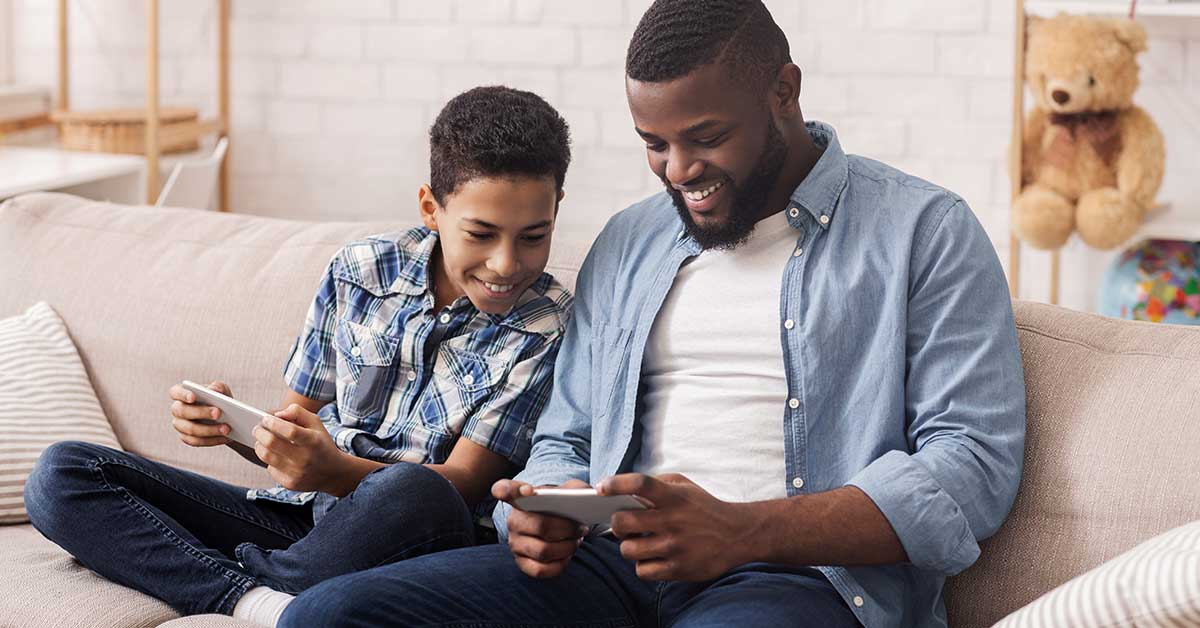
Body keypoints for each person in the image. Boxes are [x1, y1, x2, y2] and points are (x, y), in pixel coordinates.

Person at [278, 1, 1027, 626]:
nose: (679, 172)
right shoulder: (631, 241)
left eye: (706, 138)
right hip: (607, 567)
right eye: (654, 145)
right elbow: (565, 438)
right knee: (328, 617)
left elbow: (971, 466)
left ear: (783, 91)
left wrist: (742, 530)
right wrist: (541, 515)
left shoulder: (923, 232)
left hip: (794, 580)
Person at [23, 85, 574, 627]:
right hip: (302, 522)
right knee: (63, 473)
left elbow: (463, 484)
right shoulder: (361, 270)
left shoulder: (549, 323)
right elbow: (293, 429)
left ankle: (225, 582)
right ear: (431, 207)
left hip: (416, 537)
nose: (505, 263)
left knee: (414, 489)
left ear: (556, 212)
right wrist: (236, 427)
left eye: (533, 236)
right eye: (481, 233)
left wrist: (337, 472)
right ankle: (259, 598)